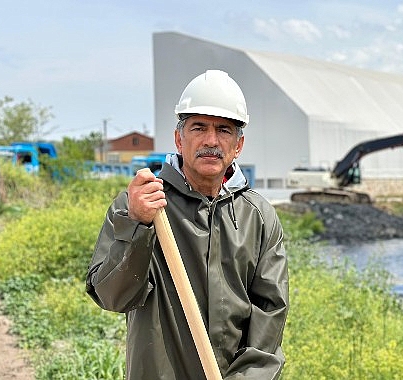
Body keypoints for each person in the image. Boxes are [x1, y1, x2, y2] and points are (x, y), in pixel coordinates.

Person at [86, 70, 289, 379]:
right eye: (199, 127)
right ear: (179, 138)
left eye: (224, 130)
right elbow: (112, 297)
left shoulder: (257, 216)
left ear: (239, 144)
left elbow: (270, 317)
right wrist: (137, 226)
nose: (211, 140)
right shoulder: (143, 205)